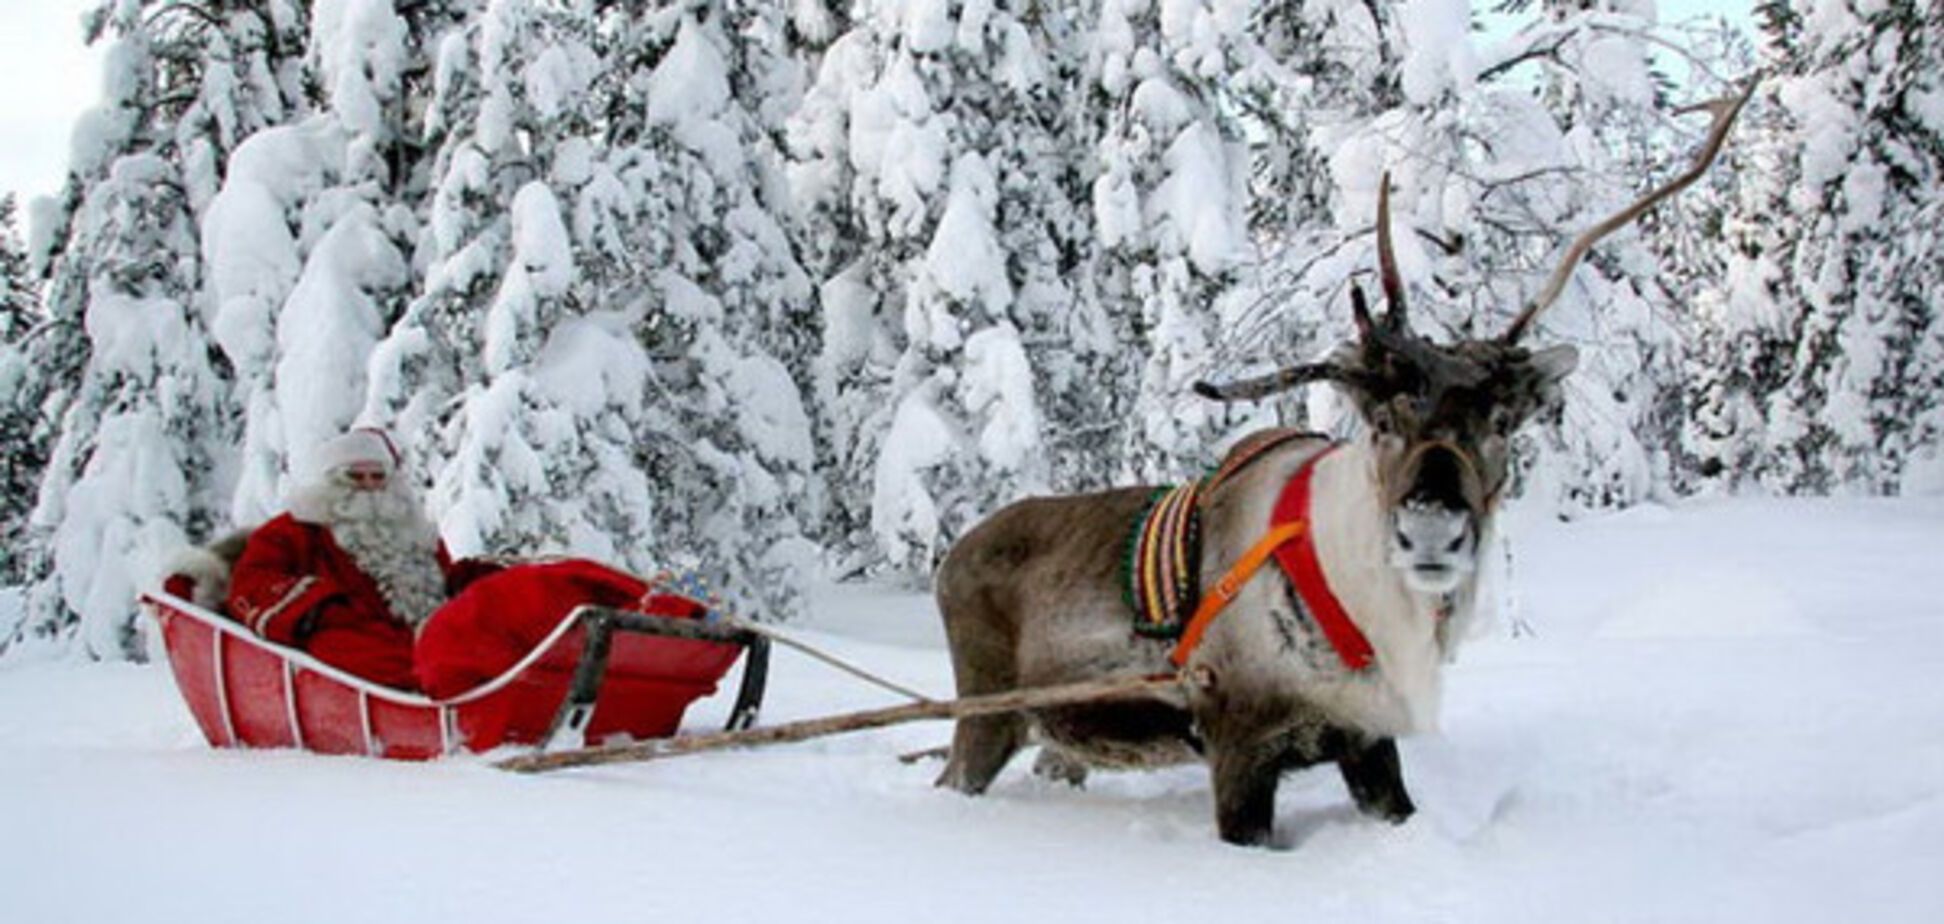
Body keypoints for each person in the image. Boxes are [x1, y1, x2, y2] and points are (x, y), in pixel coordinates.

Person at [226, 428, 490, 690]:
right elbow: (252, 582)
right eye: (355, 477)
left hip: (430, 633)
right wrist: (325, 609)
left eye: (378, 477)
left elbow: (445, 582)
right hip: (357, 638)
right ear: (329, 482)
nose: (369, 486)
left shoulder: (413, 530)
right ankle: (446, 682)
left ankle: (473, 677)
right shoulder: (293, 530)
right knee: (340, 646)